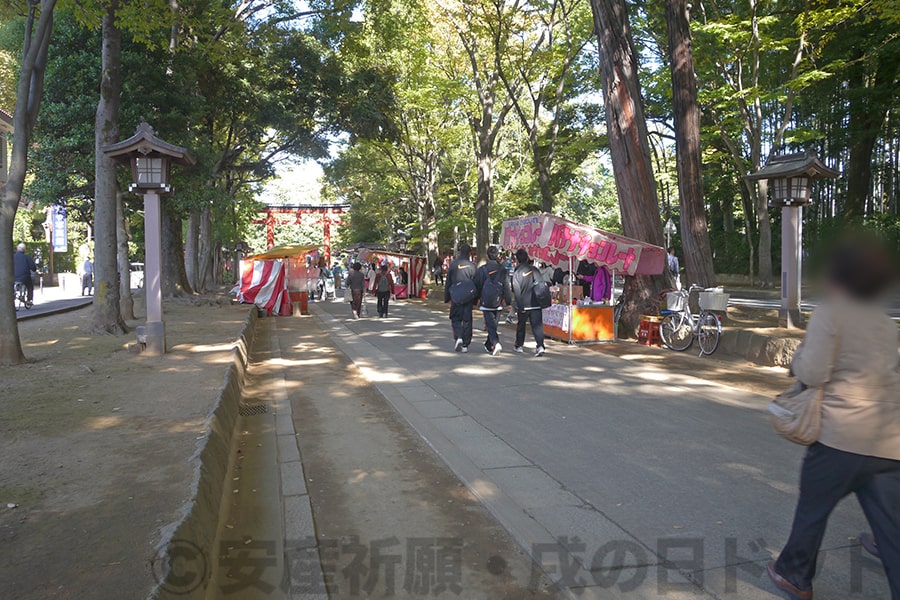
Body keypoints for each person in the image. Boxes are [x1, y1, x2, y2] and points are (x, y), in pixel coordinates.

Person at [767, 239, 900, 600]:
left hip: (842, 436)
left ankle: (793, 573)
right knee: (892, 530)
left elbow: (815, 371)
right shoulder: (887, 323)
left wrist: (796, 362)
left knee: (813, 508)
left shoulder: (832, 312)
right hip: (889, 441)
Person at [474, 246, 511, 356]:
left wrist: (476, 301)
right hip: (499, 301)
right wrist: (508, 302)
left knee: (490, 325)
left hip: (486, 301)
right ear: (497, 255)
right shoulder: (502, 270)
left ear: (487, 255)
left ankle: (496, 343)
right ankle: (488, 344)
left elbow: (478, 286)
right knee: (493, 324)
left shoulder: (482, 270)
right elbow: (506, 287)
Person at [512, 249, 546, 357]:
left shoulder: (517, 273)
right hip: (536, 303)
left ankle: (519, 345)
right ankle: (540, 345)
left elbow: (516, 291)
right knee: (537, 326)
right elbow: (541, 285)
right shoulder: (535, 270)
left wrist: (519, 305)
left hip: (524, 304)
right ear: (527, 258)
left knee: (521, 325)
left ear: (517, 259)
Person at [444, 244, 477, 353]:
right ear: (469, 253)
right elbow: (476, 284)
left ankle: (458, 336)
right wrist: (476, 299)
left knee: (455, 318)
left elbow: (448, 282)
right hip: (468, 296)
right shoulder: (472, 266)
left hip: (456, 296)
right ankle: (465, 344)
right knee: (467, 319)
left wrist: (446, 297)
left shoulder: (453, 265)